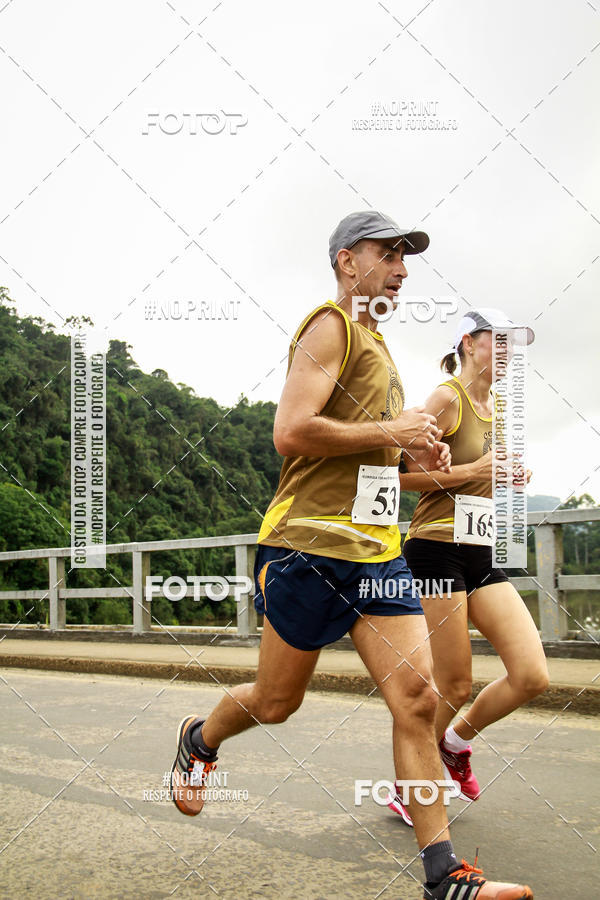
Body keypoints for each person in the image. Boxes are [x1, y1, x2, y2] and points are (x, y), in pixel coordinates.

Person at [170, 215, 534, 900]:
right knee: (278, 701)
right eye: (386, 254)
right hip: (308, 544)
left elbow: (372, 445)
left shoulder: (381, 347)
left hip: (378, 553)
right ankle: (199, 739)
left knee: (420, 699)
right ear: (347, 262)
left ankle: (442, 874)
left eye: (406, 257)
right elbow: (291, 431)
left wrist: (410, 450)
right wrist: (390, 429)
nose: (400, 268)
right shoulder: (329, 326)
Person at [387, 309, 549, 830]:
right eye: (498, 343)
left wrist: (506, 475)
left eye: (513, 346)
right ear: (469, 343)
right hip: (435, 552)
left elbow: (481, 476)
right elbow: (387, 479)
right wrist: (472, 470)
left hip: (480, 552)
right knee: (453, 685)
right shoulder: (445, 399)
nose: (507, 354)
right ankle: (407, 787)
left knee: (532, 675)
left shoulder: (496, 407)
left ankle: (454, 743)